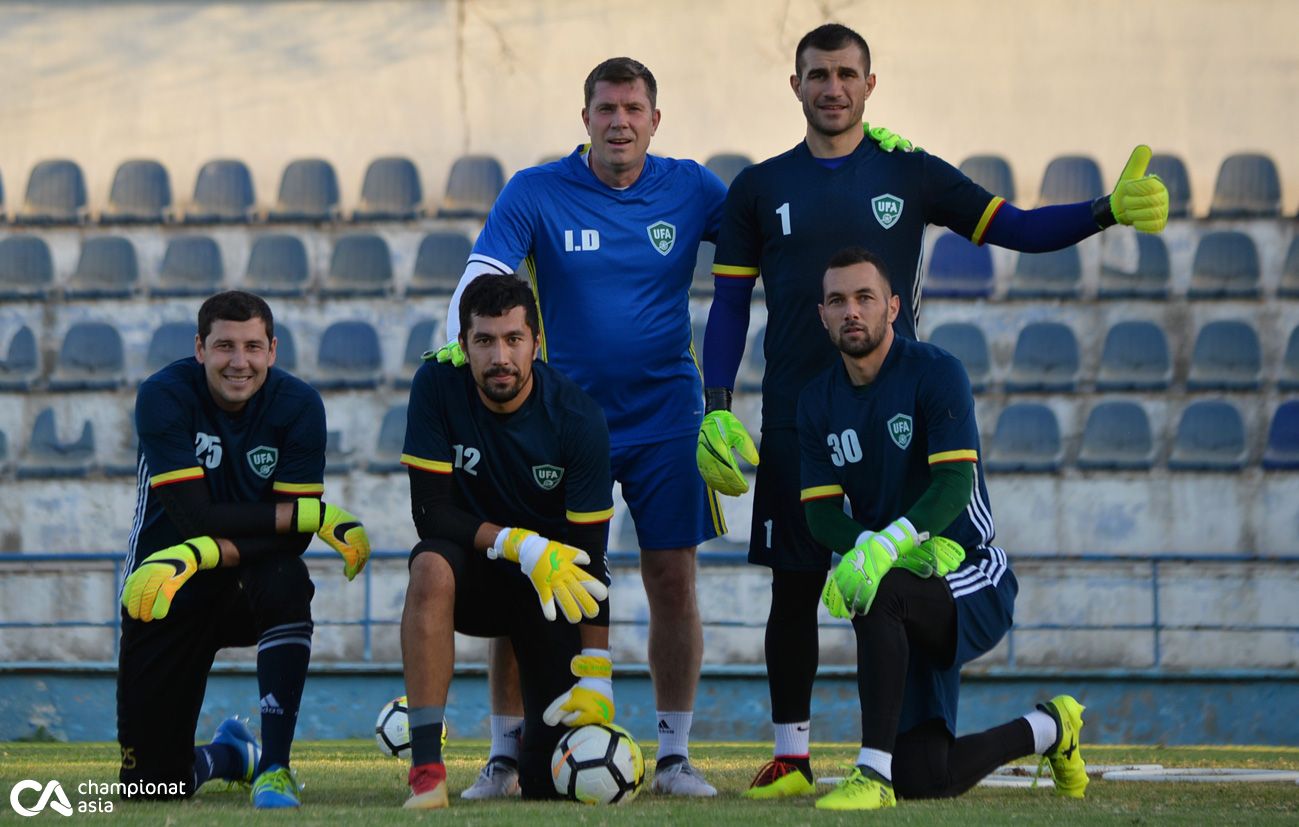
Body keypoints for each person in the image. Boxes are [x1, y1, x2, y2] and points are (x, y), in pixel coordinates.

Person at [696, 22, 1167, 795]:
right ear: (795, 86)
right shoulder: (758, 186)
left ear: (869, 85)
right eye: (817, 74)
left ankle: (893, 754)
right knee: (793, 586)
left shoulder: (906, 170)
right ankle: (791, 754)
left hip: (895, 425)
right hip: (794, 413)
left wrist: (1104, 210)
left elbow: (1010, 225)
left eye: (847, 73)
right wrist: (716, 404)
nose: (833, 87)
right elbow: (726, 305)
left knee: (888, 569)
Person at [798, 247, 1086, 810]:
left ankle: (871, 775)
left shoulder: (936, 371)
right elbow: (820, 514)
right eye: (837, 301)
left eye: (864, 297)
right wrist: (866, 550)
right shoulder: (816, 401)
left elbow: (953, 487)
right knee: (928, 777)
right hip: (903, 585)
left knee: (875, 589)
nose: (851, 311)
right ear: (822, 315)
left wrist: (885, 547)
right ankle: (1051, 728)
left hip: (971, 571)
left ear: (894, 308)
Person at [117, 290, 372, 809]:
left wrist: (212, 550)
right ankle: (231, 757)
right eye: (225, 346)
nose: (240, 362)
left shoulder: (298, 405)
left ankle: (275, 769)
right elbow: (196, 518)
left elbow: (292, 541)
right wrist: (312, 513)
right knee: (150, 789)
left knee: (287, 579)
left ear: (273, 350)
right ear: (200, 348)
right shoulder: (163, 396)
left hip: (246, 579)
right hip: (166, 584)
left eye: (253, 347)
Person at [400, 273, 617, 808]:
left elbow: (590, 558)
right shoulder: (435, 385)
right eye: (485, 341)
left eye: (513, 339)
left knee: (548, 787)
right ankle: (427, 770)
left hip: (542, 589)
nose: (501, 356)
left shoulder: (578, 419)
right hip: (470, 569)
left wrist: (598, 673)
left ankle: (525, 760)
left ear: (536, 344)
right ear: (463, 345)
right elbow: (430, 513)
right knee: (428, 564)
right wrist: (516, 542)